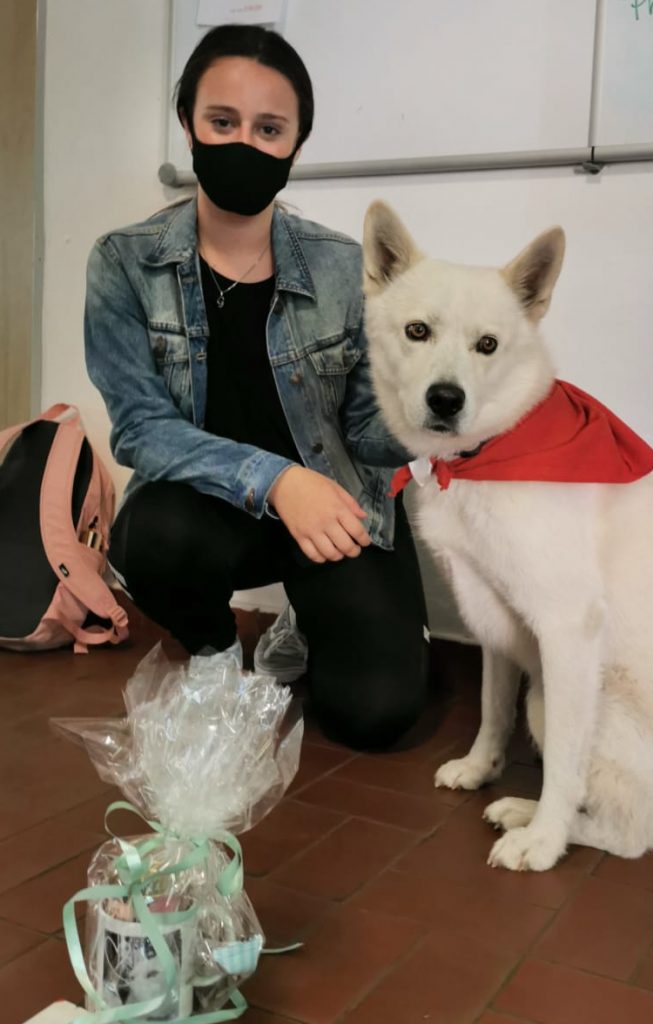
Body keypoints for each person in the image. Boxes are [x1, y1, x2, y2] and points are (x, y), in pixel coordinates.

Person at [84, 25, 429, 750]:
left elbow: (365, 430)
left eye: (269, 129)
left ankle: (305, 618)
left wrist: (439, 417)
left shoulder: (345, 269)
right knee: (148, 535)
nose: (244, 143)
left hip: (334, 506)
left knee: (376, 716)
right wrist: (277, 481)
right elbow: (141, 428)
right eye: (222, 122)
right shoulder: (124, 263)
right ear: (188, 124)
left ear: (297, 145)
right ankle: (215, 650)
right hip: (211, 510)